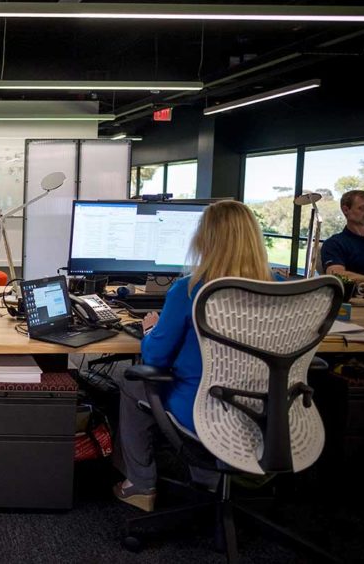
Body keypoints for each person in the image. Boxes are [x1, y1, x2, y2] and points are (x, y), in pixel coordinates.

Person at [113, 200, 273, 512]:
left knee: (129, 381)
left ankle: (141, 485)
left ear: (204, 240)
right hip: (266, 410)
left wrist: (151, 329)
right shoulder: (281, 290)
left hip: (202, 408)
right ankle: (208, 479)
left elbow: (155, 358)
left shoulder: (190, 289)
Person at [321, 189, 364, 282]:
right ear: (346, 210)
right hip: (356, 295)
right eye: (363, 208)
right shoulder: (334, 244)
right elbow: (337, 275)